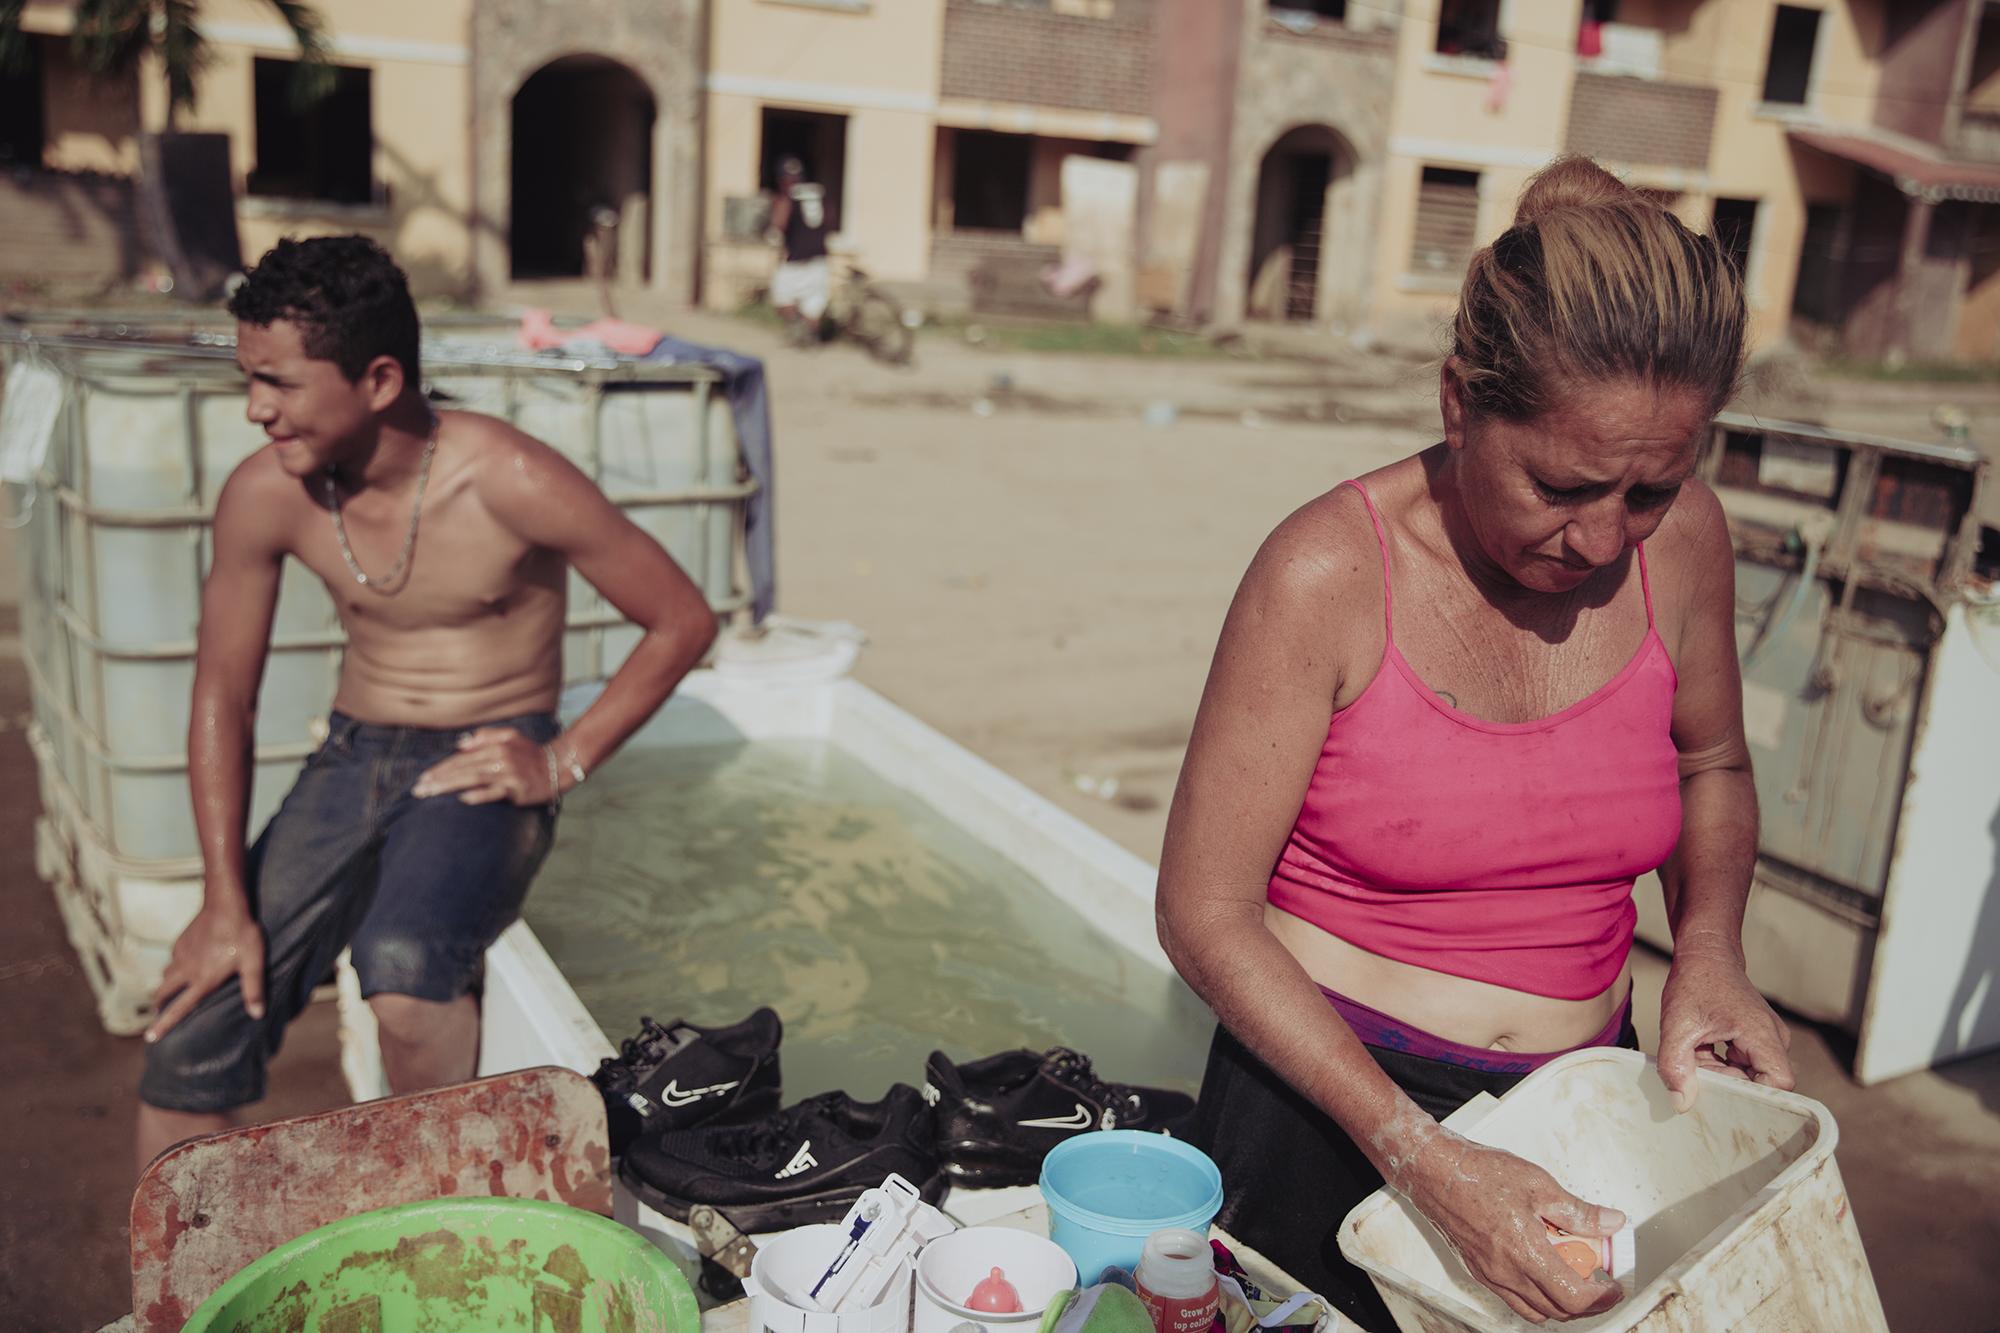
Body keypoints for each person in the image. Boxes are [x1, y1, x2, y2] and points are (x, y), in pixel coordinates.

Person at [1156, 157, 1795, 1329]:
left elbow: (1710, 764)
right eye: (1559, 483)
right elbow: (1201, 913)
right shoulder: (1324, 573)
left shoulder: (1685, 542)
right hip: (1325, 1111)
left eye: (1648, 489)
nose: (1601, 538)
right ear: (1459, 404)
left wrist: (1707, 951)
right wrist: (1418, 1152)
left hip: (1577, 1106)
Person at [135, 236, 719, 1172]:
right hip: (352, 752)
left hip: (489, 748)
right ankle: (182, 1297)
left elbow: (682, 619)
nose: (256, 410)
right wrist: (220, 900)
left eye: (279, 384)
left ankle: (425, 1207)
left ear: (376, 379)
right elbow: (222, 695)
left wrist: (561, 759)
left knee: (404, 977)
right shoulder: (266, 493)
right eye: (250, 380)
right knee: (191, 1015)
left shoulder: (506, 477)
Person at [766, 156, 833, 346]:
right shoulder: (818, 194)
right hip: (819, 257)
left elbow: (778, 225)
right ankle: (810, 335)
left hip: (795, 259)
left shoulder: (787, 198)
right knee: (813, 304)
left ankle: (798, 329)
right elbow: (830, 220)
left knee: (782, 297)